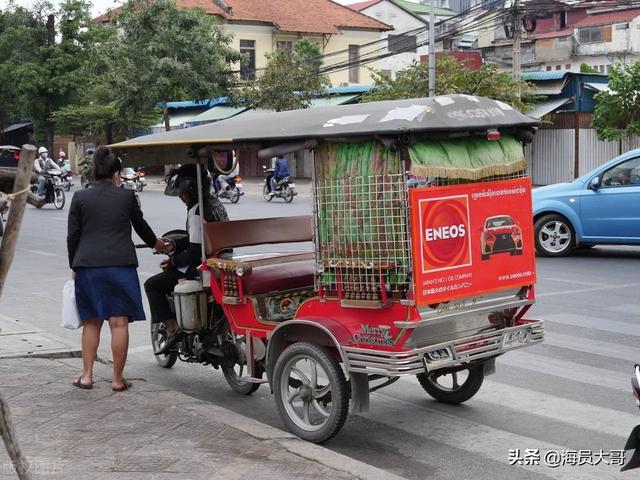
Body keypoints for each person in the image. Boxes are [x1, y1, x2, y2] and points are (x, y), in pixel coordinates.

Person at [67, 146, 168, 391]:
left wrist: (74, 265)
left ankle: (87, 376)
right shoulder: (126, 196)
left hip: (88, 266)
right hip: (120, 266)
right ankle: (116, 380)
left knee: (91, 322)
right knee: (118, 323)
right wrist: (158, 244)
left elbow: (73, 236)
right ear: (116, 174)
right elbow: (141, 227)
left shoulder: (80, 197)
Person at [145, 162, 229, 355]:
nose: (181, 197)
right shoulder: (214, 203)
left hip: (204, 267)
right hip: (222, 260)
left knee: (152, 285)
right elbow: (197, 239)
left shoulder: (196, 212)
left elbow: (194, 251)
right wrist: (174, 245)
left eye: (182, 193)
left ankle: (173, 328)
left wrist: (173, 261)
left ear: (191, 190)